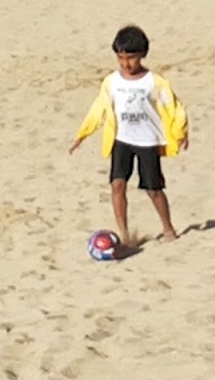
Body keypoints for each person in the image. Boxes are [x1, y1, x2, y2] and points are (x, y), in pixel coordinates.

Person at [68, 24, 188, 246]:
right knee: (117, 184)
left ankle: (168, 228)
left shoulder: (154, 82)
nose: (125, 63)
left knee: (153, 189)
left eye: (130, 58)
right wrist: (82, 134)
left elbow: (175, 107)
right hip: (121, 140)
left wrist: (180, 132)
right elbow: (99, 108)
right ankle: (123, 232)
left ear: (142, 55)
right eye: (121, 58)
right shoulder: (112, 81)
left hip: (147, 141)